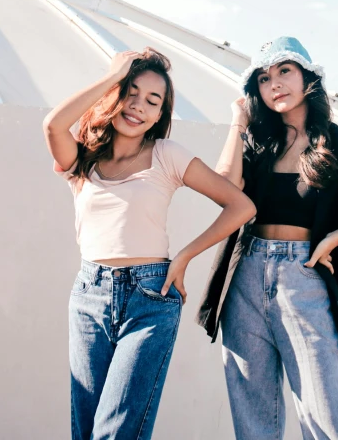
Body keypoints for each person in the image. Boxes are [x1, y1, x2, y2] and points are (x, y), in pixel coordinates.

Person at [197, 36, 338, 440]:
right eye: (264, 79)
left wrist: (336, 237)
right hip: (245, 278)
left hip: (305, 277)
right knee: (253, 421)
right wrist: (238, 122)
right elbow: (223, 191)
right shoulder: (257, 144)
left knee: (328, 420)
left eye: (285, 71)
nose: (275, 84)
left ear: (307, 78)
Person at [43, 47, 255, 440]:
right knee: (85, 429)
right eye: (131, 92)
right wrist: (112, 76)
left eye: (152, 101)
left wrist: (185, 256)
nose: (138, 106)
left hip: (150, 296)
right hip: (89, 295)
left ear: (160, 115)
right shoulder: (84, 159)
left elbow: (240, 206)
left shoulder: (166, 155)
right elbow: (54, 126)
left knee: (115, 431)